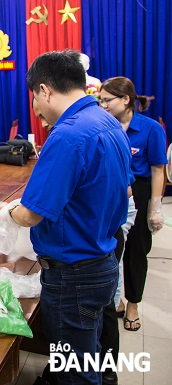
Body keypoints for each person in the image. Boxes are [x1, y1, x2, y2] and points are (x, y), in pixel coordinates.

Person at [0, 50, 131, 384]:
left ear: (45, 90)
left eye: (35, 100)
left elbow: (30, 215)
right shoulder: (108, 122)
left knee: (75, 372)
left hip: (74, 276)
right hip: (102, 258)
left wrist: (8, 213)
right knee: (86, 352)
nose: (36, 109)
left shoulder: (67, 135)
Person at [100, 76, 167, 332]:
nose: (103, 105)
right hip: (112, 191)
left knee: (136, 252)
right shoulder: (105, 126)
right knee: (113, 250)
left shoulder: (150, 129)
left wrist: (155, 208)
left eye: (108, 100)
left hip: (139, 189)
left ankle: (134, 304)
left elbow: (158, 169)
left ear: (126, 99)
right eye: (101, 100)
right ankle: (115, 299)